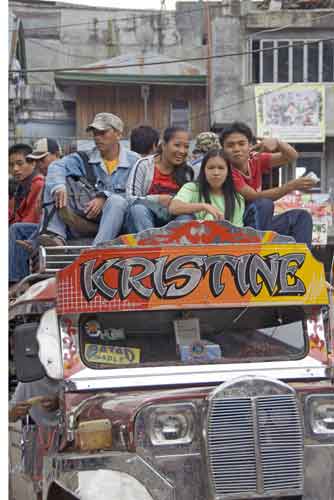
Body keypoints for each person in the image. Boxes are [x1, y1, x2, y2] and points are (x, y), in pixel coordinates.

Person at [38, 112, 139, 246]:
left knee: (116, 201)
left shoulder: (136, 161)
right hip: (91, 214)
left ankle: (96, 250)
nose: (97, 137)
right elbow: (56, 166)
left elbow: (139, 196)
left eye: (103, 133)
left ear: (118, 134)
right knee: (54, 183)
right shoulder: (84, 157)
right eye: (95, 133)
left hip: (122, 219)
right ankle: (55, 235)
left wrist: (105, 197)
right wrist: (59, 187)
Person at [220, 121, 317, 246]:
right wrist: (292, 185)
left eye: (241, 144)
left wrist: (278, 143)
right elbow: (253, 196)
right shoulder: (226, 169)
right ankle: (261, 254)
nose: (237, 149)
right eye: (230, 145)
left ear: (250, 145)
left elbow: (292, 156)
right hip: (237, 227)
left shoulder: (255, 159)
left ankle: (301, 261)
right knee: (264, 204)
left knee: (301, 217)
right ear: (223, 148)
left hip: (261, 222)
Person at [125, 126, 194, 233]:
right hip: (145, 219)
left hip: (174, 218)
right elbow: (130, 199)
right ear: (164, 145)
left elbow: (191, 202)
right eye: (177, 145)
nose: (182, 151)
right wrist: (158, 199)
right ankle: (150, 245)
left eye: (186, 147)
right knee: (137, 210)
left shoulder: (188, 171)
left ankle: (174, 248)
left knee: (187, 217)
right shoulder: (144, 165)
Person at [169, 149, 244, 225]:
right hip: (192, 235)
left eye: (221, 168)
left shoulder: (237, 199)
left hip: (221, 236)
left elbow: (237, 232)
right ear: (203, 170)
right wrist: (204, 207)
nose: (216, 173)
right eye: (211, 168)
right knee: (184, 218)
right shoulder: (192, 188)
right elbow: (173, 207)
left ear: (228, 172)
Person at [9, 143, 44, 225]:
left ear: (33, 163)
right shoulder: (21, 185)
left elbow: (32, 219)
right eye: (11, 165)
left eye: (20, 163)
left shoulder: (38, 185)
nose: (15, 169)